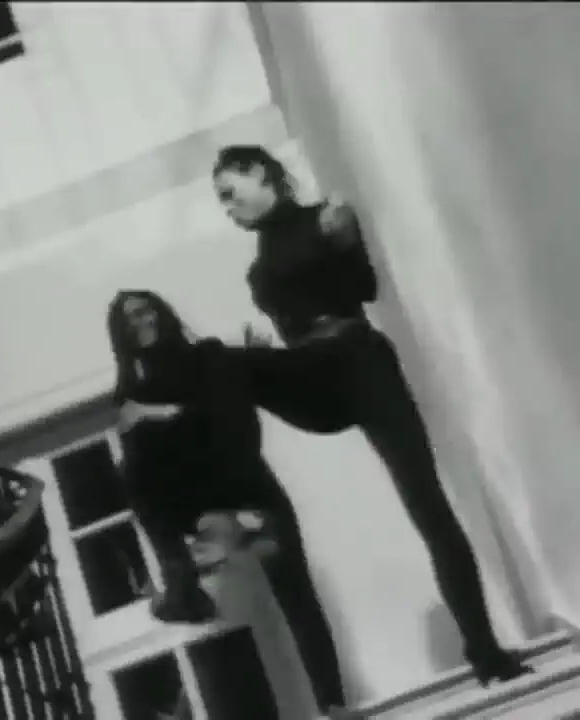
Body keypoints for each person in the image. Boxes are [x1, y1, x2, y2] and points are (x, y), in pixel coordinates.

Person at [178, 143, 526, 686]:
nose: (227, 208)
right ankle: (241, 508)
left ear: (260, 173)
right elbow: (292, 329)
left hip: (361, 364)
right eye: (222, 201)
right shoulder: (258, 268)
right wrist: (267, 358)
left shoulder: (325, 217)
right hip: (313, 377)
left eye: (229, 193)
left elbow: (363, 288)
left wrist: (342, 241)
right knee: (217, 361)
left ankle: (483, 650)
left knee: (427, 505)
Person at [108, 290, 346, 716]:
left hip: (246, 485)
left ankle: (333, 705)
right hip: (198, 501)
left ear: (162, 312)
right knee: (130, 465)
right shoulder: (132, 393)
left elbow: (230, 420)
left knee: (297, 596)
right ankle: (179, 576)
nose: (140, 323)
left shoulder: (209, 357)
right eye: (128, 321)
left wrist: (161, 415)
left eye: (144, 312)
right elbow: (149, 471)